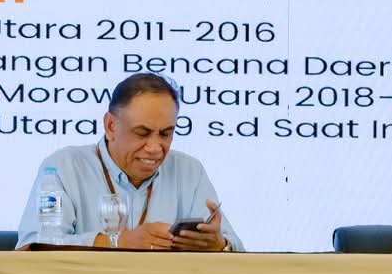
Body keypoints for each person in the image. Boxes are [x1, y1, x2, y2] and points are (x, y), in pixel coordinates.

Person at [15, 73, 243, 251]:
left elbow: (237, 252)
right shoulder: (62, 167)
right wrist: (119, 242)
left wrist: (218, 245)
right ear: (110, 126)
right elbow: (37, 246)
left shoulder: (189, 171)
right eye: (142, 133)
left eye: (165, 134)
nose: (155, 148)